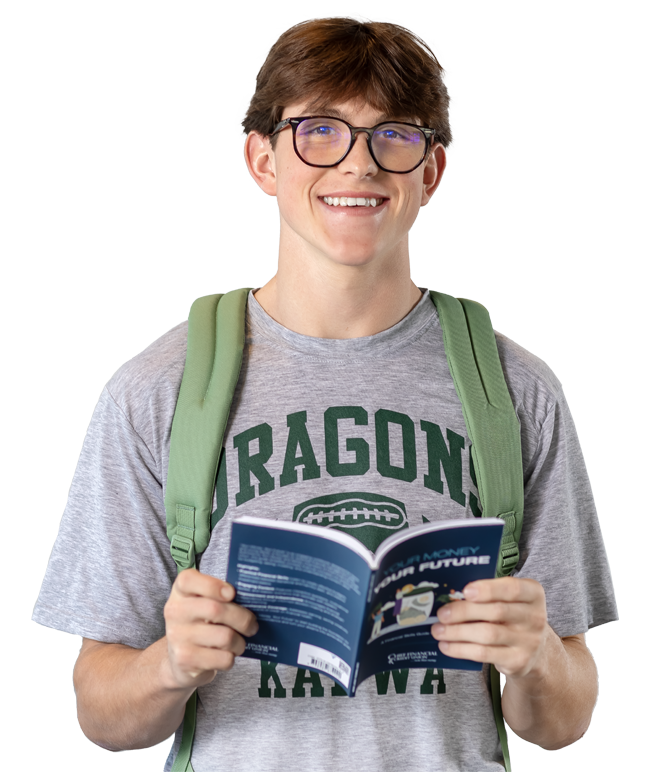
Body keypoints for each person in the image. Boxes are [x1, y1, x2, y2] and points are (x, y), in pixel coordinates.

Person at [32, 15, 617, 772]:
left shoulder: (517, 393)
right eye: (320, 132)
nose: (358, 166)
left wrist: (535, 655)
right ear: (263, 159)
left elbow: (563, 723)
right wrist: (170, 663)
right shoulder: (155, 391)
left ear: (430, 172)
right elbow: (101, 713)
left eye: (394, 136)